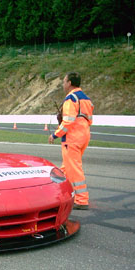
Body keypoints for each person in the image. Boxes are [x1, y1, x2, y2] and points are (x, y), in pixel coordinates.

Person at [48, 72, 94, 210]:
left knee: (74, 169)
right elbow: (89, 120)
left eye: (64, 81)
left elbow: (68, 121)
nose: (63, 84)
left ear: (69, 83)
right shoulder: (86, 99)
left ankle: (81, 200)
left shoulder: (70, 99)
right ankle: (60, 192)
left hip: (72, 138)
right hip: (84, 135)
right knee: (66, 168)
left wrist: (55, 135)